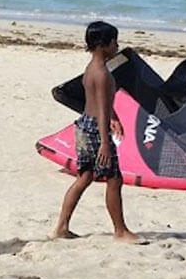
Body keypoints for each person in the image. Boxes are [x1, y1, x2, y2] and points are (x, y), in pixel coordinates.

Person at [53, 21, 140, 243]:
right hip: (95, 130)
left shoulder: (91, 69)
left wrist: (114, 117)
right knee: (114, 179)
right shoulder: (102, 74)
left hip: (84, 124)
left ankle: (61, 227)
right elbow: (101, 108)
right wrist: (104, 142)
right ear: (103, 45)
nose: (117, 46)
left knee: (85, 176)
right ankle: (120, 231)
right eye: (114, 42)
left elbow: (97, 102)